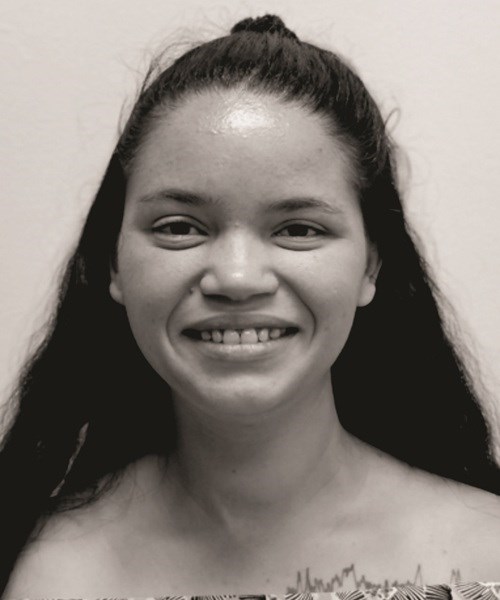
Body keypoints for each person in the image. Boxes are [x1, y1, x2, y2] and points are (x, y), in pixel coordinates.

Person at [2, 13, 500, 598]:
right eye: (180, 226)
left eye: (299, 229)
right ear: (113, 263)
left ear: (370, 266)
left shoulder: (485, 554)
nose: (237, 278)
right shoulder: (49, 576)